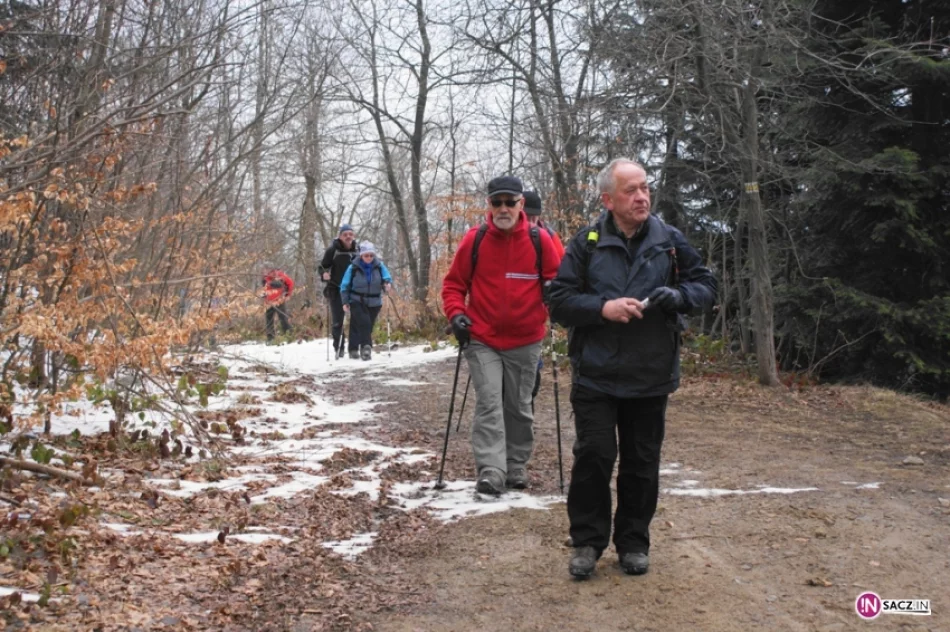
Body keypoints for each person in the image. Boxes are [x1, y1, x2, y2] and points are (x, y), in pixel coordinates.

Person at [547, 159, 717, 579]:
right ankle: (587, 542)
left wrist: (678, 296)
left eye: (644, 188)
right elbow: (558, 301)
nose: (642, 197)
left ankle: (634, 543)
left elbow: (706, 287)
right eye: (630, 190)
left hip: (651, 373)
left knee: (642, 463)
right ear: (608, 199)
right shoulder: (585, 242)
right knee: (594, 457)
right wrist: (601, 308)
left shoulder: (670, 240)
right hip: (595, 374)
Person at [441, 176, 562, 495]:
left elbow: (558, 282)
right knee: (490, 401)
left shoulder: (540, 240)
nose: (503, 208)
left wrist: (553, 296)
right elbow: (453, 285)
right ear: (489, 206)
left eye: (510, 202)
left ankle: (516, 465)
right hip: (482, 338)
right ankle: (492, 470)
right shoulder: (475, 240)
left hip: (527, 338)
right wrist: (457, 315)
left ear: (521, 204)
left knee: (519, 405)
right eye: (497, 202)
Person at [523, 190, 566, 407]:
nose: (531, 220)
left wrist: (556, 301)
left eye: (534, 216)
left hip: (537, 309)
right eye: (526, 214)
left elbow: (563, 272)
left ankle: (527, 401)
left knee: (531, 364)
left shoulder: (548, 237)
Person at [340, 241, 392, 361]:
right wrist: (345, 301)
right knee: (365, 323)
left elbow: (386, 278)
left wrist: (387, 284)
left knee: (360, 325)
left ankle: (353, 349)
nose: (369, 258)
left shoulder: (379, 266)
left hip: (374, 301)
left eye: (371, 255)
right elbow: (345, 285)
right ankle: (366, 348)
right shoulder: (353, 267)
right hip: (356, 300)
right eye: (366, 255)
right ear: (361, 255)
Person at [319, 224, 359, 358]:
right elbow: (322, 267)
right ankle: (339, 348)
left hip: (355, 290)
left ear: (353, 236)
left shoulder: (358, 250)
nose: (348, 237)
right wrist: (324, 274)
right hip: (336, 289)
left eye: (350, 234)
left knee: (357, 320)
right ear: (340, 236)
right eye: (345, 234)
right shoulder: (332, 250)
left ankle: (353, 349)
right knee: (338, 321)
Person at [261, 265, 294, 341]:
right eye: (265, 270)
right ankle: (270, 338)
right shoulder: (265, 278)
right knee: (269, 320)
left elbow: (290, 283)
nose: (266, 272)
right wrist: (263, 295)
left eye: (268, 270)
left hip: (279, 301)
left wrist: (288, 295)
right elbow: (264, 289)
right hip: (268, 302)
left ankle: (289, 336)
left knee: (283, 318)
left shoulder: (281, 276)